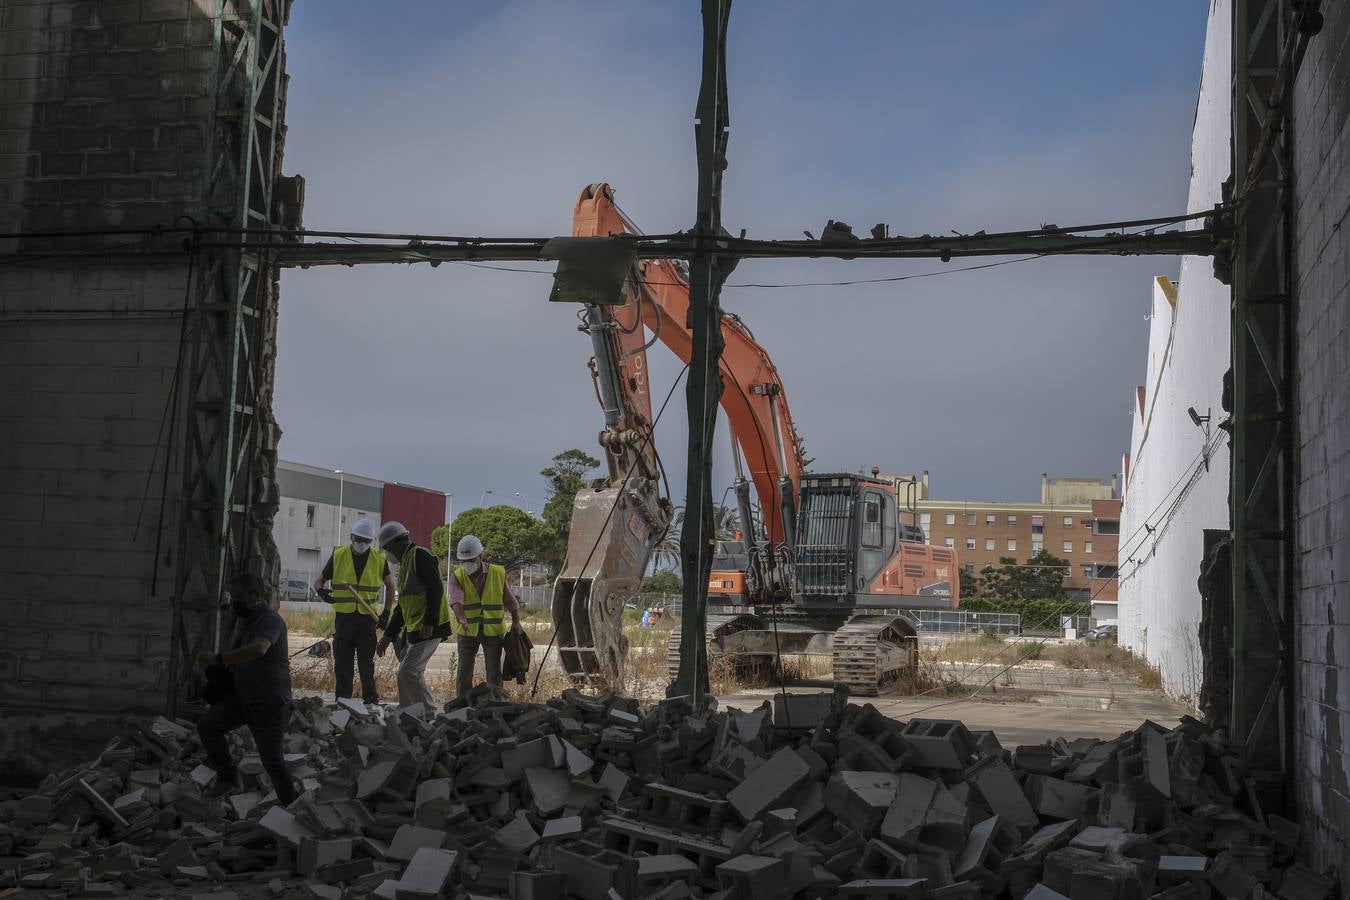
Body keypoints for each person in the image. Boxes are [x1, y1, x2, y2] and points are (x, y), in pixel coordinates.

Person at [197, 572, 297, 806]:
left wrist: (219, 659)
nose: (235, 602)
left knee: (272, 761)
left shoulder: (269, 620)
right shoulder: (245, 622)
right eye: (233, 596)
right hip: (244, 697)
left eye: (239, 597)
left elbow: (260, 648)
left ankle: (291, 807)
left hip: (269, 702)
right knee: (208, 727)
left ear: (255, 595)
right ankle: (227, 777)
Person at [313, 518, 395, 704]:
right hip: (344, 619)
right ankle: (343, 701)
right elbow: (319, 581)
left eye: (366, 541)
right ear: (351, 537)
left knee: (366, 663)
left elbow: (390, 587)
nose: (362, 544)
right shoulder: (338, 555)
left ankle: (370, 700)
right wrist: (322, 592)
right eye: (359, 540)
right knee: (343, 663)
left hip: (367, 620)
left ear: (371, 541)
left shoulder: (378, 559)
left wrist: (386, 613)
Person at [375, 521, 450, 709]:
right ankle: (408, 711)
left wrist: (429, 622)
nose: (387, 553)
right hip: (416, 628)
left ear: (395, 544)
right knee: (408, 672)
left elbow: (435, 589)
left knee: (407, 671)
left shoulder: (419, 556)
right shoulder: (406, 564)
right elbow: (402, 606)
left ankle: (427, 712)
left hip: (429, 627)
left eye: (387, 548)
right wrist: (388, 636)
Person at [448, 534, 523, 697]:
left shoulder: (497, 573)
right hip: (467, 631)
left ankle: (495, 704)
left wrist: (516, 622)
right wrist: (461, 618)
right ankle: (462, 703)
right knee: (464, 672)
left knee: (494, 671)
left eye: (471, 559)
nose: (467, 564)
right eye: (464, 561)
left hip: (493, 632)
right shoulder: (457, 576)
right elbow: (456, 601)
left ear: (480, 556)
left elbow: (510, 600)